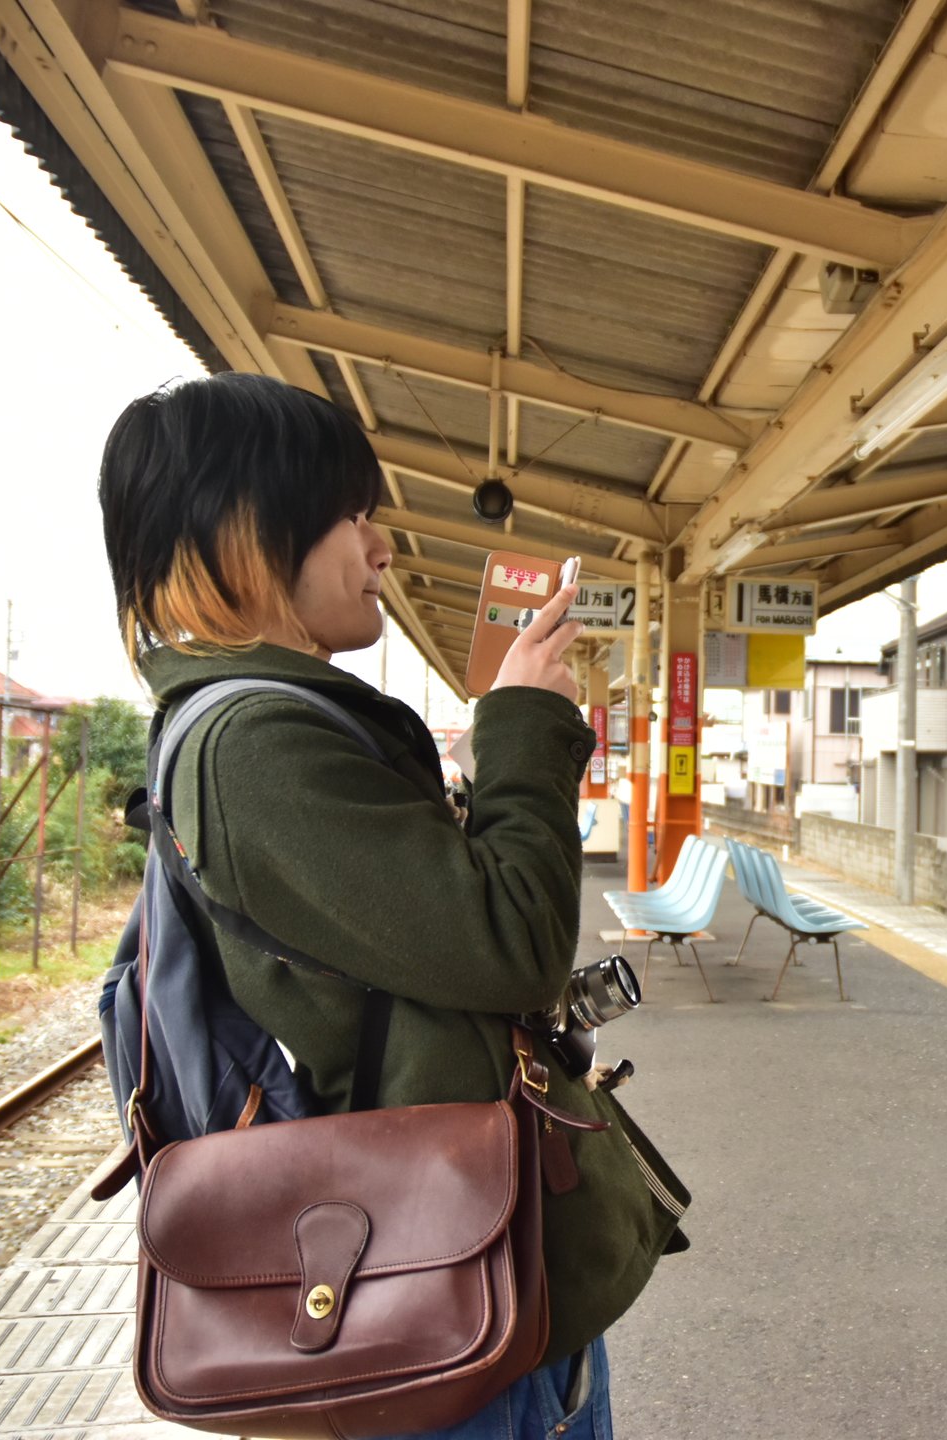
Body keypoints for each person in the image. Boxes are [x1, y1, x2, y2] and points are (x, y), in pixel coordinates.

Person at [98, 372, 688, 1439]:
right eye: (352, 515)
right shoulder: (254, 749)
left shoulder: (265, 727)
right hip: (436, 1312)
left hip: (447, 1271)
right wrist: (521, 730)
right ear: (243, 531)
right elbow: (512, 943)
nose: (382, 549)